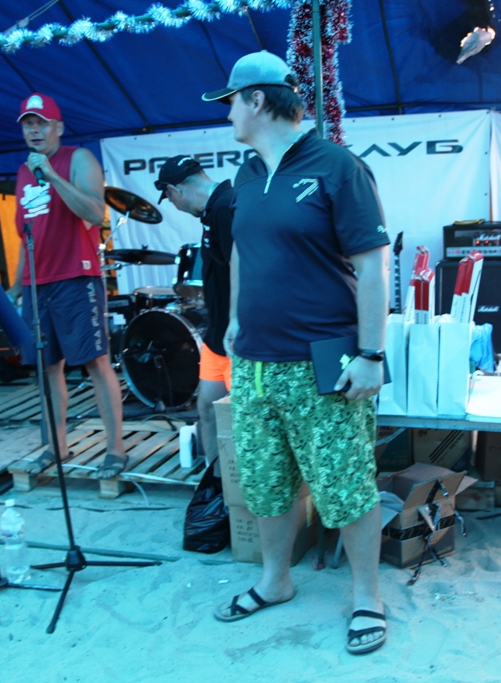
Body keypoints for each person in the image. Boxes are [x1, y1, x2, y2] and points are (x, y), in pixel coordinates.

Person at [203, 51, 390, 655]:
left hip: (324, 359)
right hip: (255, 364)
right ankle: (275, 581)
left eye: (231, 102)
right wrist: (235, 318)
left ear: (257, 100)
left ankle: (367, 596)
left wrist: (372, 353)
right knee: (264, 482)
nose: (227, 114)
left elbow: (373, 265)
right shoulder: (245, 174)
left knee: (346, 484)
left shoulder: (337, 167)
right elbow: (241, 250)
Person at [7, 93, 128, 480]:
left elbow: (95, 212)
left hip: (76, 277)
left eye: (41, 123)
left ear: (58, 127)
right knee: (46, 367)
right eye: (28, 124)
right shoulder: (22, 172)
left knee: (95, 362)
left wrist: (53, 176)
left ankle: (115, 450)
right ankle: (55, 446)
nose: (35, 130)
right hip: (36, 284)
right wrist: (16, 287)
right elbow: (26, 235)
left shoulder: (78, 159)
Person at [155, 155, 233, 467]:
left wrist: (237, 323)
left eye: (169, 199)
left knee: (239, 416)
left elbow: (245, 271)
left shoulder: (226, 207)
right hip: (217, 334)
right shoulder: (212, 211)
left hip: (236, 336)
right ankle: (215, 482)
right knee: (208, 410)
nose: (174, 206)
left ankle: (237, 488)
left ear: (174, 191)